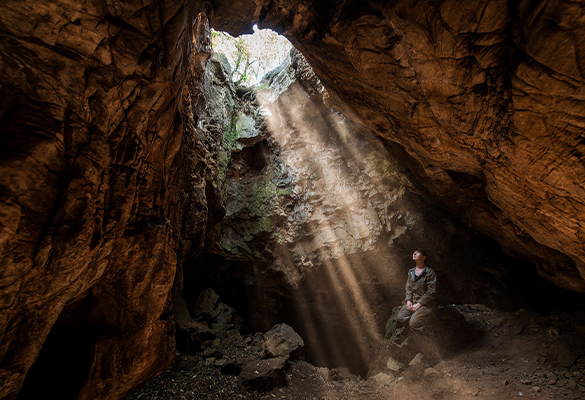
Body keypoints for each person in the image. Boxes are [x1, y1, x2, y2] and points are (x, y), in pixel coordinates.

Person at [397, 248, 437, 332]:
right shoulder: (411, 272)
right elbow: (408, 288)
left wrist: (419, 304)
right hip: (413, 302)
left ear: (423, 258)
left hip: (425, 304)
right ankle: (414, 330)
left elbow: (431, 291)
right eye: (414, 252)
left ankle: (424, 339)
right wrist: (408, 301)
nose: (414, 253)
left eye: (418, 253)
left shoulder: (429, 273)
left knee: (414, 323)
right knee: (400, 317)